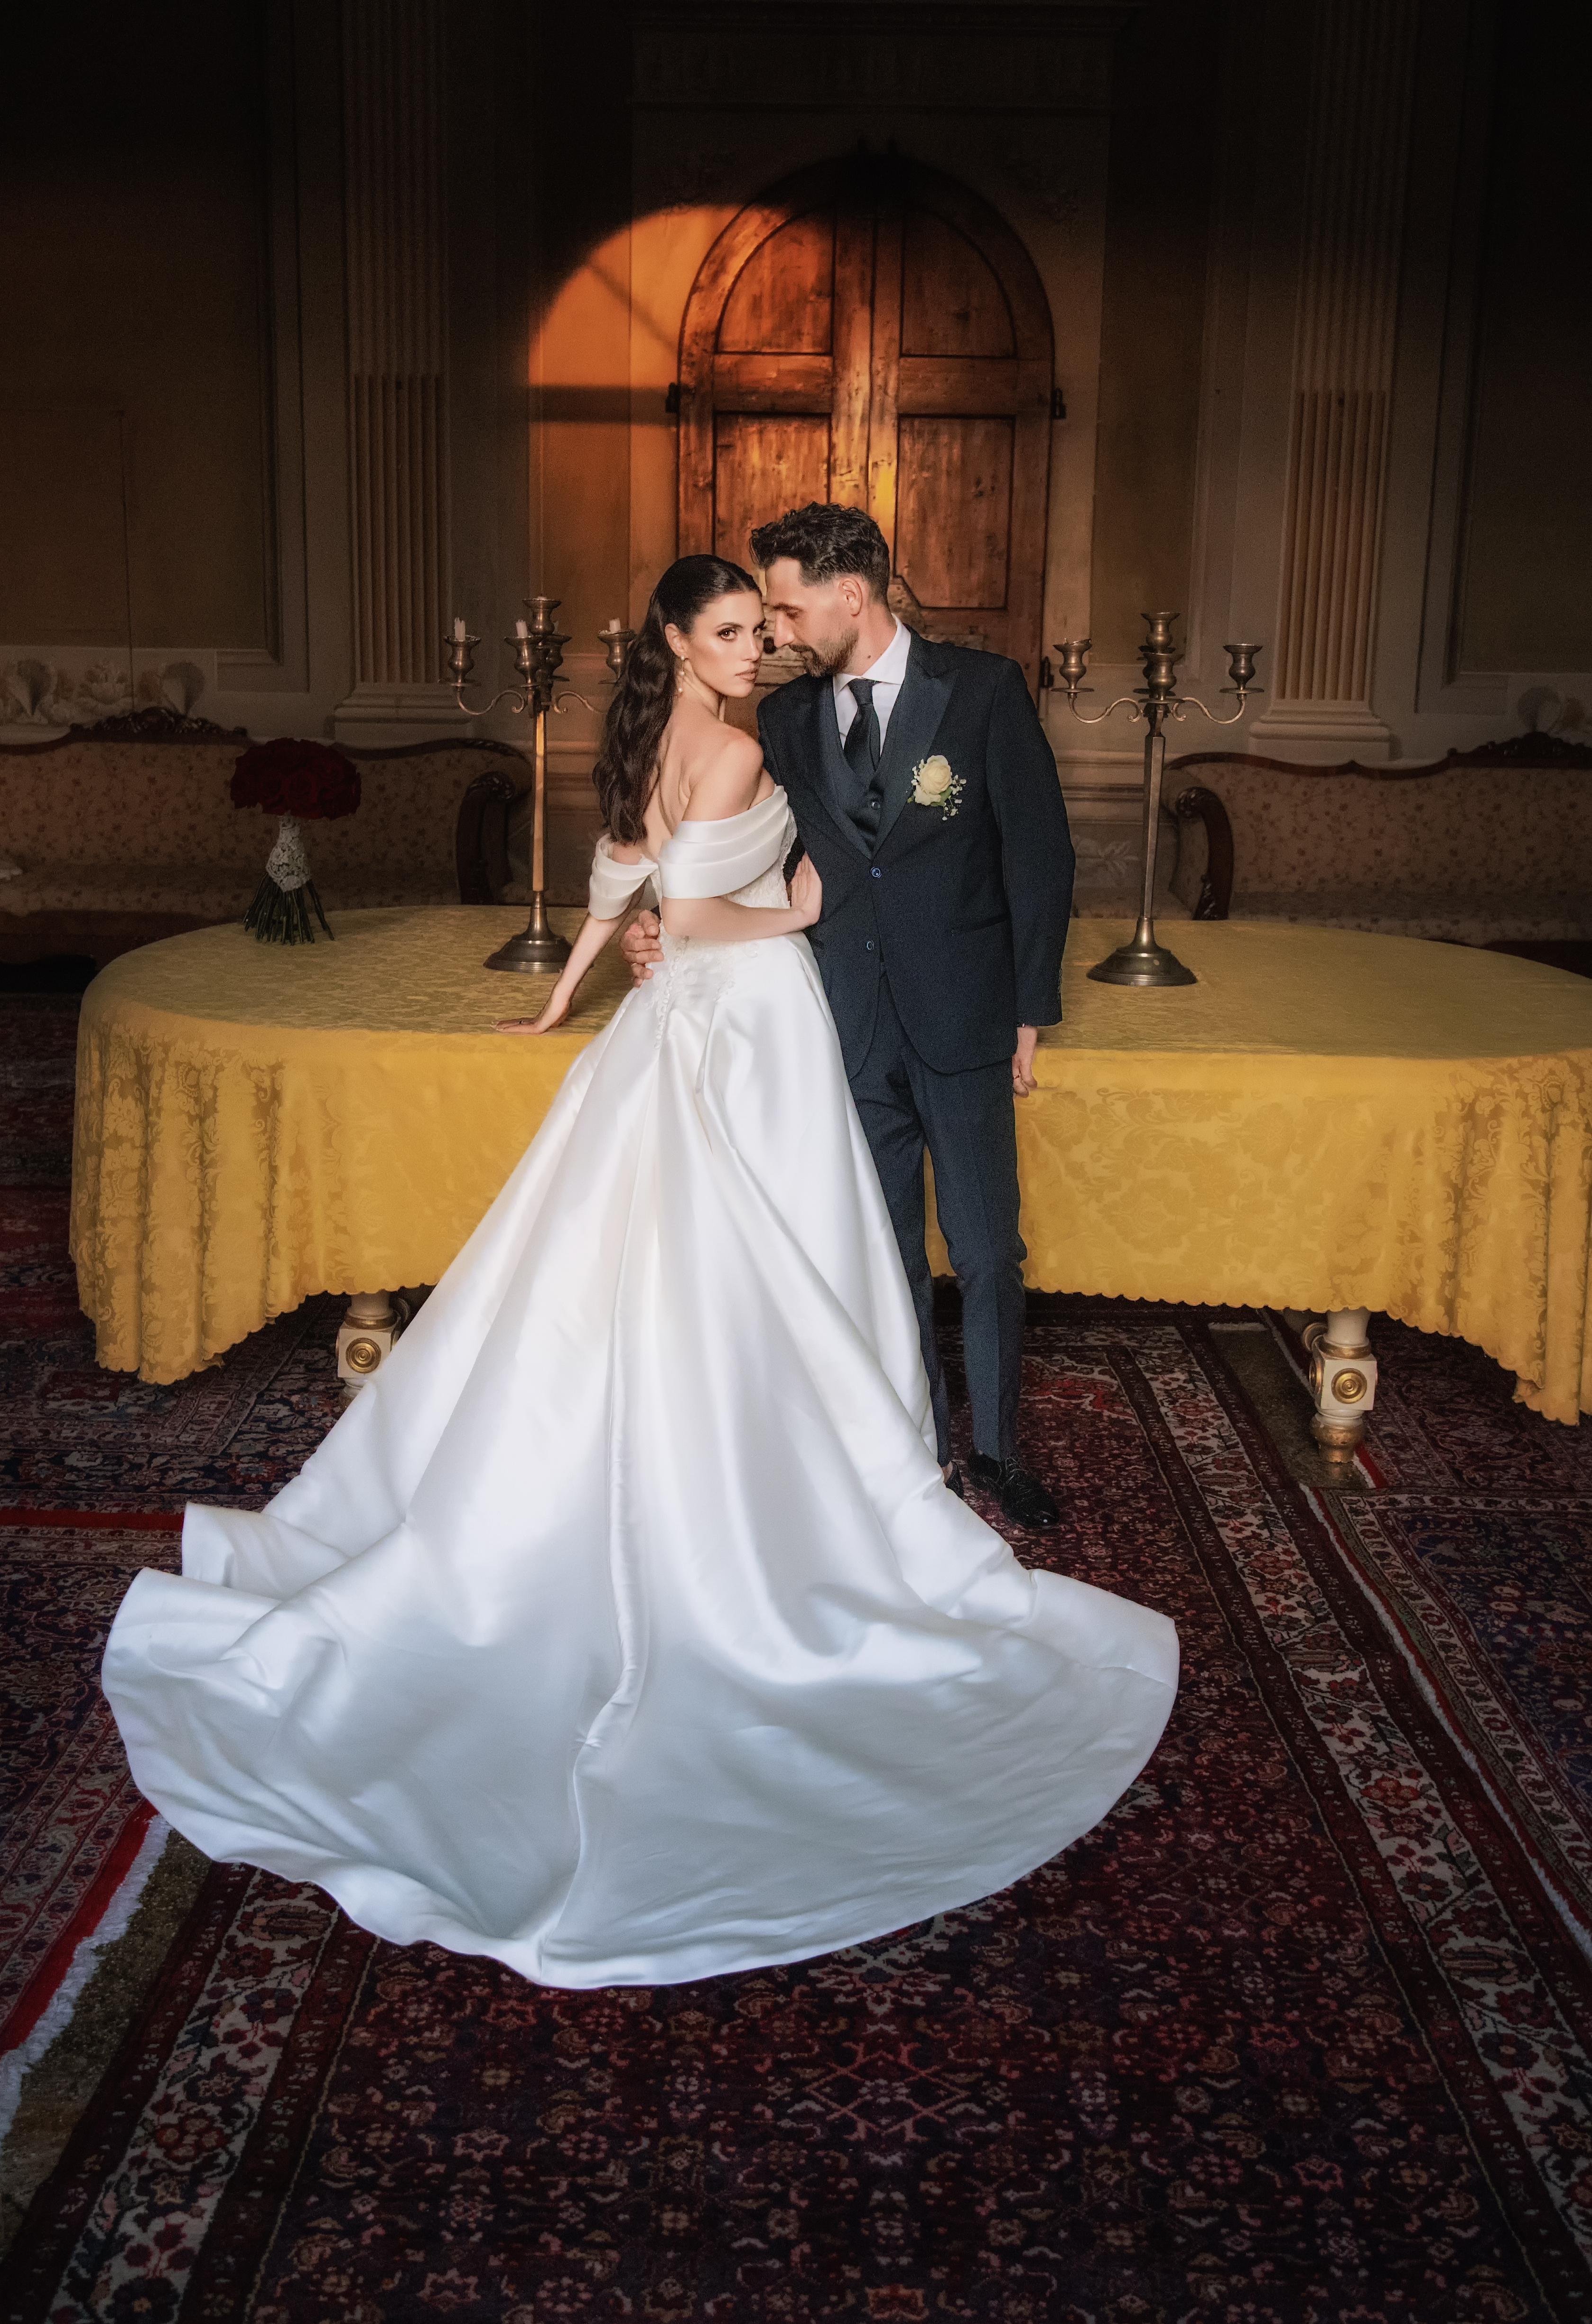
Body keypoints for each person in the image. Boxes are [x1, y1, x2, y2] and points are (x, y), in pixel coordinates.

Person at [101, 553, 1176, 1993]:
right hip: (753, 1017)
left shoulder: (667, 740)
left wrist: (564, 999)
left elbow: (623, 887)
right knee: (767, 1244)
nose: (755, 648)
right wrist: (794, 912)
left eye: (760, 626)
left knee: (673, 1252)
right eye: (729, 630)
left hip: (678, 1025)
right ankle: (792, 1481)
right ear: (675, 638)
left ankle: (776, 1446)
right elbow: (695, 904)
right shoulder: (733, 745)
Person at [623, 505, 1072, 1531]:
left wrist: (1030, 1008)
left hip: (964, 1015)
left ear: (851, 594)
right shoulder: (784, 720)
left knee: (987, 1251)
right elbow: (724, 851)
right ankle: (919, 1442)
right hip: (842, 1019)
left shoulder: (982, 690)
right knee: (885, 1249)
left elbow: (1040, 857)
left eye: (786, 610)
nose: (774, 634)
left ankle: (999, 1453)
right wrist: (654, 927)